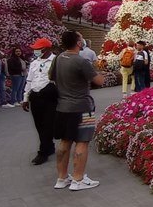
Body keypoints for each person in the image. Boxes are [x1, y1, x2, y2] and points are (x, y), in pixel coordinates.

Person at [50, 30, 105, 190]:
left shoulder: (58, 58)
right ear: (79, 43)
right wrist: (100, 71)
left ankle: (61, 178)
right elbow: (99, 81)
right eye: (81, 39)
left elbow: (51, 77)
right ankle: (78, 179)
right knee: (82, 141)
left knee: (65, 141)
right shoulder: (80, 61)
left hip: (62, 107)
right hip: (82, 108)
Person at [21, 38, 57, 165]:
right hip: (35, 97)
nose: (35, 51)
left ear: (46, 49)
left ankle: (43, 152)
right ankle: (49, 146)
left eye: (38, 49)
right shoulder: (34, 63)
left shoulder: (55, 61)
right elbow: (29, 81)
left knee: (47, 125)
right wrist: (25, 98)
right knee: (39, 124)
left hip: (49, 96)